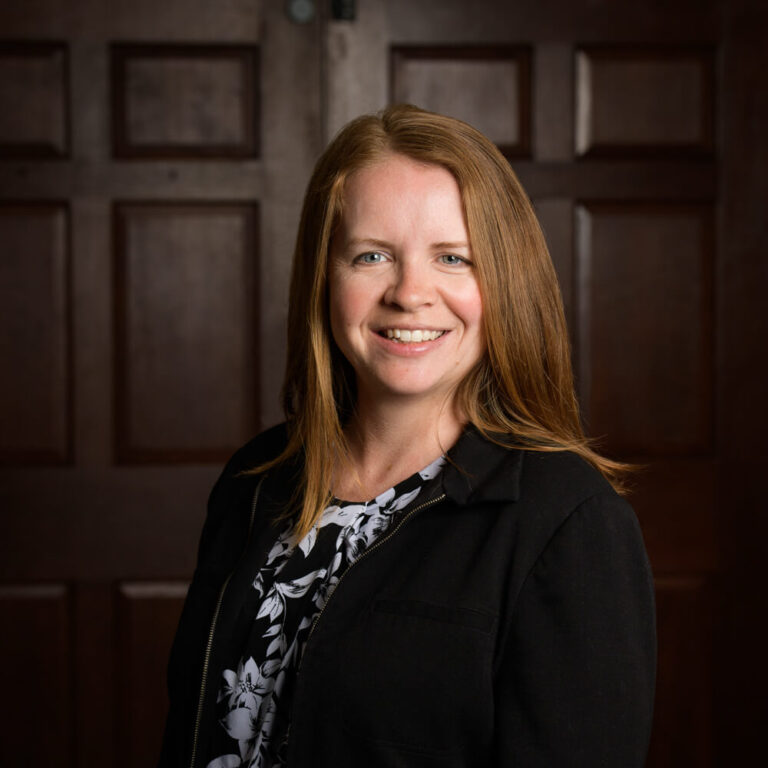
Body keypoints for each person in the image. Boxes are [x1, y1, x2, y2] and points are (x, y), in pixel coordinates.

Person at [159, 104, 656, 768]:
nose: (410, 292)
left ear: (504, 282)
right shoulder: (258, 479)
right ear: (326, 277)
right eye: (371, 255)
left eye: (453, 258)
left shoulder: (568, 523)